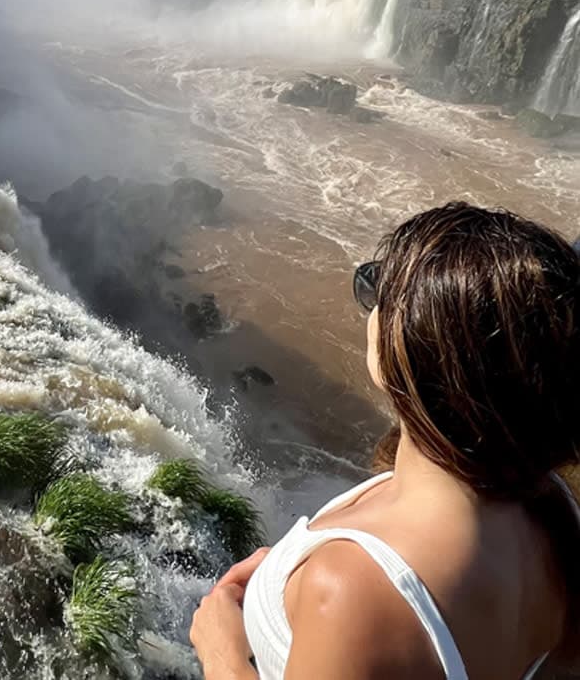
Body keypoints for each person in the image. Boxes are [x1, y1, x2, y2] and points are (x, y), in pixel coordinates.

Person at [189, 202, 580, 680]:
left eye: (381, 292)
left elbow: (381, 603)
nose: (371, 303)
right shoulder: (554, 510)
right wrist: (292, 582)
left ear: (414, 350)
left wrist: (222, 651)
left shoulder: (354, 591)